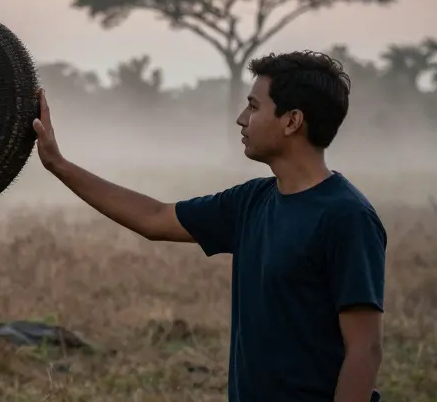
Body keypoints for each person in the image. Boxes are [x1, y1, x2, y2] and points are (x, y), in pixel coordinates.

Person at [33, 50, 386, 401]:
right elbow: (155, 218)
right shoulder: (252, 201)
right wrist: (58, 165)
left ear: (292, 121)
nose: (241, 118)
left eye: (254, 106)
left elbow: (364, 349)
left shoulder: (347, 217)